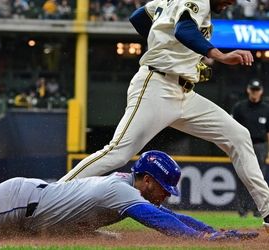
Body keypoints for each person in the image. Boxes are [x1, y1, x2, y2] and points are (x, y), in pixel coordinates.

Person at [58, 0, 269, 228]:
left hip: (184, 93)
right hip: (156, 86)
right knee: (117, 152)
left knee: (238, 135)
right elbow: (183, 30)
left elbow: (139, 16)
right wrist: (219, 55)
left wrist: (168, 48)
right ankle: (49, 196)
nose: (232, 2)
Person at [0, 150, 258, 240]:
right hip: (19, 201)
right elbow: (159, 219)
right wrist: (201, 239)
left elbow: (171, 215)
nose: (166, 195)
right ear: (146, 180)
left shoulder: (127, 187)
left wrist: (212, 231)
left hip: (31, 214)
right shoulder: (119, 189)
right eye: (163, 188)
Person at [232, 79, 269, 217]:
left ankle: (258, 210)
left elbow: (268, 132)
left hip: (260, 145)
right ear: (248, 90)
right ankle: (242, 209)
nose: (254, 92)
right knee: (242, 176)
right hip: (243, 145)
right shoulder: (239, 107)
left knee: (259, 178)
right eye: (252, 90)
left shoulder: (266, 108)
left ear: (261, 91)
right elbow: (232, 129)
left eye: (257, 90)